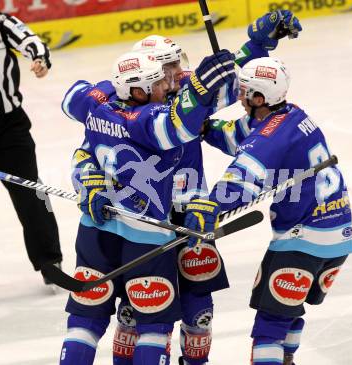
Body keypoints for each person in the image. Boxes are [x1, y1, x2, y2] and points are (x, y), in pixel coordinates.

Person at [111, 12, 303, 365]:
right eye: (166, 69)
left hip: (194, 209)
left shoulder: (184, 89)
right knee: (140, 307)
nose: (175, 75)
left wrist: (258, 45)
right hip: (147, 217)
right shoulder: (124, 107)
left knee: (199, 305)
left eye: (175, 66)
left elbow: (230, 83)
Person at [59, 49, 236, 365]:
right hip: (151, 230)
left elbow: (75, 112)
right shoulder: (150, 118)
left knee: (88, 316)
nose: (170, 82)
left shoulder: (99, 109)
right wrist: (199, 90)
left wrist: (88, 184)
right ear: (138, 89)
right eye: (160, 77)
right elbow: (177, 127)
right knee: (150, 321)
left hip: (100, 227)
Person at [185, 56, 352, 365]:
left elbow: (242, 178)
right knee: (289, 312)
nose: (239, 97)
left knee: (269, 328)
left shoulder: (269, 138)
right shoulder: (291, 115)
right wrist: (203, 127)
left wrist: (208, 206)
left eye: (244, 91)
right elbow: (241, 136)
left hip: (303, 240)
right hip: (338, 236)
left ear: (259, 97)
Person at [0, 0, 62, 284]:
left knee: (30, 190)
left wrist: (39, 59)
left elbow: (31, 41)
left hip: (9, 125)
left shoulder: (1, 24)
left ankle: (50, 262)